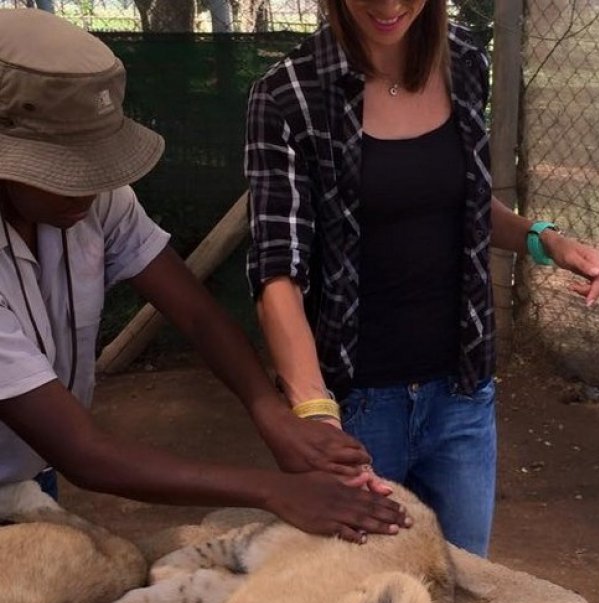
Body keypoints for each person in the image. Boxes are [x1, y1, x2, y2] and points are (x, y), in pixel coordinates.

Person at [0, 8, 411, 544]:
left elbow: (195, 313)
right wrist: (272, 490)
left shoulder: (94, 201)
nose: (87, 188)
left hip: (28, 474)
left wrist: (271, 412)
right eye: (65, 172)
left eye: (97, 166)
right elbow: (86, 454)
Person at [244, 0, 599, 556]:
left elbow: (460, 204)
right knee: (360, 602)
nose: (388, 6)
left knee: (461, 583)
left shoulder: (463, 62)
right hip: (357, 407)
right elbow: (278, 272)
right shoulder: (288, 94)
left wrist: (545, 240)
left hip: (462, 395)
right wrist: (315, 416)